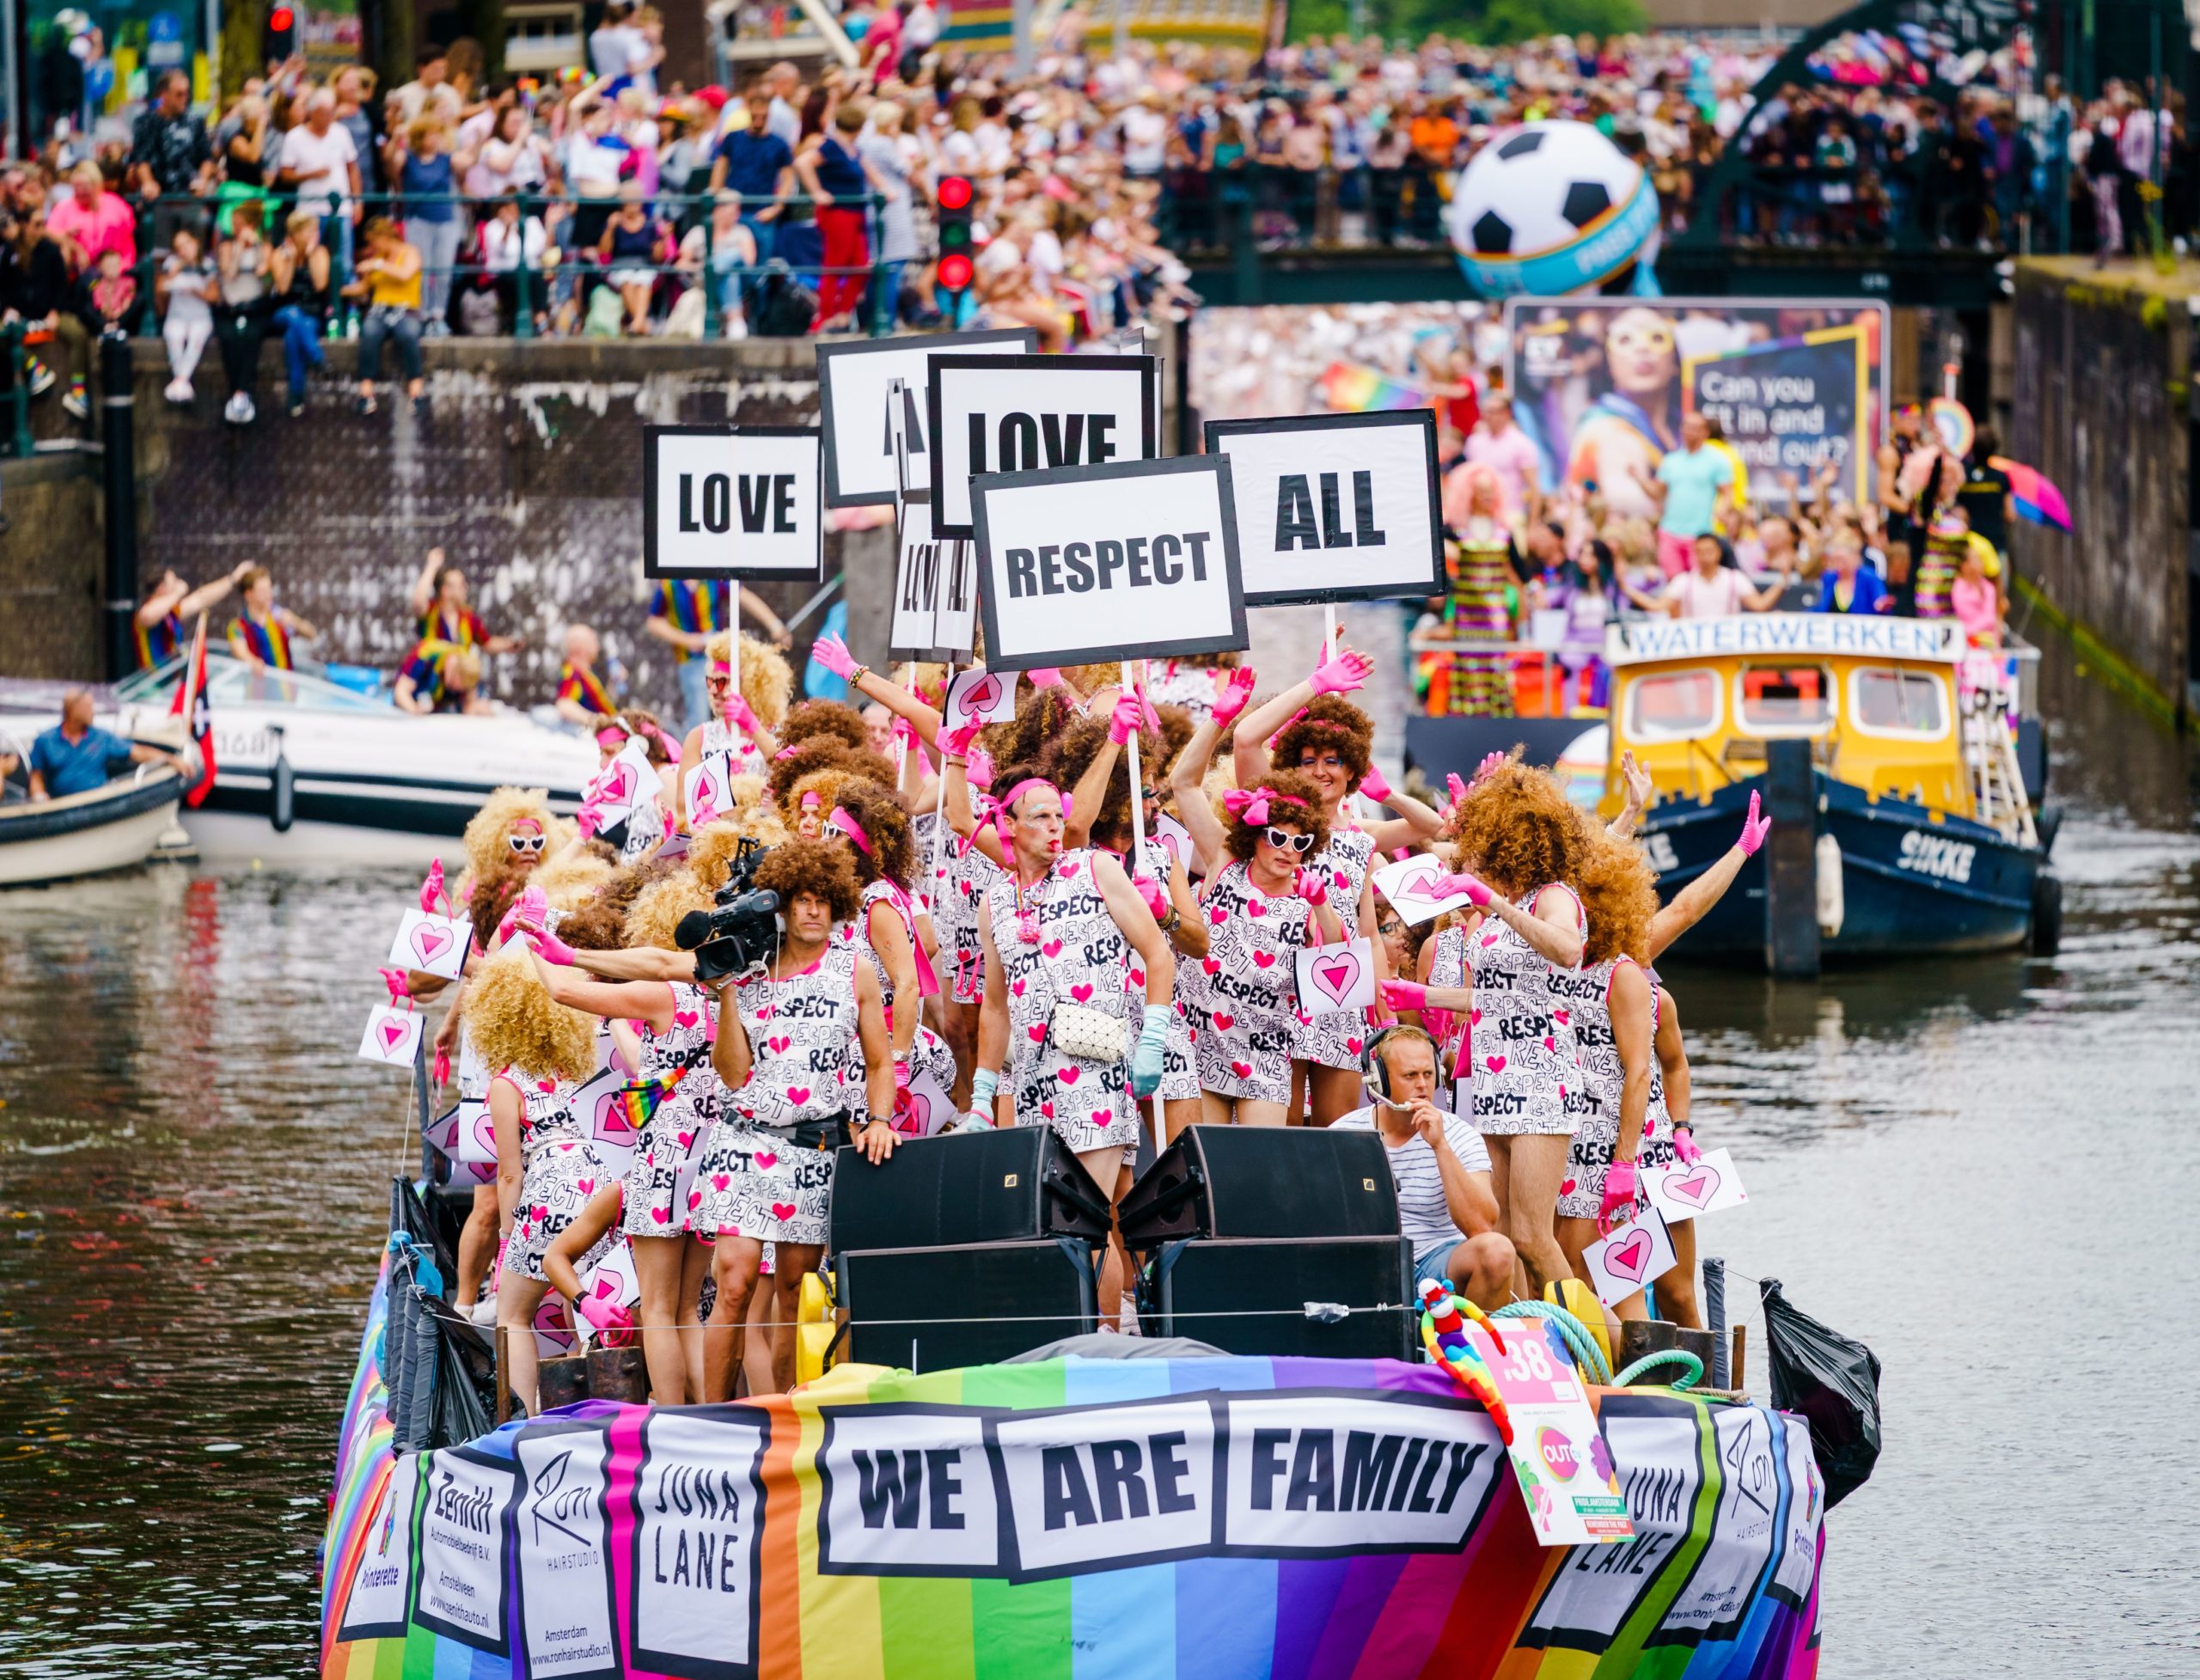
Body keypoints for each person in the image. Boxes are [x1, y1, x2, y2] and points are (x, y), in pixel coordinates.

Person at [969, 767, 1176, 1321]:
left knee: (1082, 1219)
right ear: (1006, 825)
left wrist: (1152, 1038)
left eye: (1059, 815)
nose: (1055, 827)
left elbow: (1159, 952)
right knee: (1053, 1227)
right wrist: (981, 1096)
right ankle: (1078, 1342)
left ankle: (1101, 1349)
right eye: (1039, 817)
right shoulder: (995, 904)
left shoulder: (1095, 867)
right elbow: (994, 1005)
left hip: (1097, 1072)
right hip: (1032, 1083)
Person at [701, 838, 898, 1395]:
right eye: (802, 899)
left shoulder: (855, 972)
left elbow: (880, 1061)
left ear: (837, 906)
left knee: (794, 1290)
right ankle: (713, 1417)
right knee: (734, 1283)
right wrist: (727, 997)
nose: (813, 909)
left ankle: (788, 1419)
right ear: (783, 904)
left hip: (813, 1149)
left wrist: (880, 1118)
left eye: (823, 900)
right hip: (743, 1144)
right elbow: (733, 1073)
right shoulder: (751, 971)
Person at [1328, 1026, 1514, 1310]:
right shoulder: (1342, 1133)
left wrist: (1440, 1147)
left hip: (1436, 1261)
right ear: (1379, 1082)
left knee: (1498, 1252)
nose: (1423, 1085)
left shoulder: (1460, 1135)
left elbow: (1482, 1226)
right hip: (1363, 1262)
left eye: (1428, 1074)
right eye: (1410, 1076)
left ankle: (1461, 1349)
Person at [1437, 465, 1519, 717]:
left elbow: (1518, 574)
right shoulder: (1456, 530)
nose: (1487, 497)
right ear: (1469, 493)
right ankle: (1465, 714)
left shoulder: (1504, 531)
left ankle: (1496, 715)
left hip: (1495, 615)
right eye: (1481, 491)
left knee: (1495, 665)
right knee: (1468, 664)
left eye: (1490, 491)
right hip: (1467, 613)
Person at [708, 97, 795, 319]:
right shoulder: (734, 139)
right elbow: (720, 167)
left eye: (763, 116)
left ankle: (759, 318)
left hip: (761, 214)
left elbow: (786, 178)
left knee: (758, 270)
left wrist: (777, 208)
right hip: (731, 211)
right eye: (755, 115)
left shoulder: (778, 144)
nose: (758, 120)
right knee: (727, 260)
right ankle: (731, 316)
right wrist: (715, 198)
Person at [798, 101, 872, 333]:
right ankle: (827, 316)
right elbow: (802, 163)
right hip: (838, 214)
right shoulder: (830, 146)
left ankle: (842, 312)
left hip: (854, 213)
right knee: (834, 266)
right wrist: (817, 192)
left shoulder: (852, 148)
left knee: (862, 266)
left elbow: (868, 171)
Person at [28, 688, 186, 799]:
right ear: (73, 710)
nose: (93, 712)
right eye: (88, 707)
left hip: (97, 803)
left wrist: (170, 759)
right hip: (62, 807)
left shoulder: (101, 737)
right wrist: (39, 797)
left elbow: (137, 752)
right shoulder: (46, 741)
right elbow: (36, 776)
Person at [1632, 411, 1735, 578]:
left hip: (1700, 535)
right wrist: (1639, 479)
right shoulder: (1671, 461)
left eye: (1695, 428)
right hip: (1670, 532)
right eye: (1687, 427)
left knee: (1699, 584)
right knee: (1674, 586)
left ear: (1705, 432)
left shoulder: (1717, 461)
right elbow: (1658, 492)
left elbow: (1728, 493)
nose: (1690, 432)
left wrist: (1723, 511)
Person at [343, 217, 425, 416]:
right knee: (369, 333)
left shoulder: (410, 252)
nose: (371, 247)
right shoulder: (376, 259)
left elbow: (405, 274)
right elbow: (363, 288)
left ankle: (416, 392)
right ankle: (366, 393)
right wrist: (340, 290)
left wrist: (379, 264)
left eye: (373, 241)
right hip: (379, 310)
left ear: (384, 237)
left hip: (406, 310)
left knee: (407, 335)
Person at [1624, 533, 1783, 619]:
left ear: (1719, 553)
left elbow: (1759, 605)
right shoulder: (1683, 581)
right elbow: (1657, 605)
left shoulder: (1735, 579)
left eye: (1709, 551)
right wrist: (1626, 588)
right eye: (1700, 552)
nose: (1705, 557)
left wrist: (1782, 582)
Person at [268, 211, 331, 418]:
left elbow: (320, 284)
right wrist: (293, 260)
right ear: (295, 234)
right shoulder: (279, 254)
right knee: (294, 315)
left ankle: (296, 395)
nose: (315, 234)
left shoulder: (320, 253)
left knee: (293, 336)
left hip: (310, 314)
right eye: (310, 231)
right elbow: (283, 288)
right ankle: (316, 356)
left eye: (316, 230)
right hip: (283, 312)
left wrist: (311, 254)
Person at [134, 562, 252, 668]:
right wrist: (177, 593)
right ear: (161, 588)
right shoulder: (147, 610)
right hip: (153, 686)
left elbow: (201, 598)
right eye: (174, 581)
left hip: (169, 683)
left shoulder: (171, 612)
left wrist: (234, 578)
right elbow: (147, 616)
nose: (179, 583)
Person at [1450, 389, 1540, 523]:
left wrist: (1533, 525)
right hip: (1479, 517)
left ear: (1506, 414)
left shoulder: (1522, 444)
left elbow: (1534, 489)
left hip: (1510, 516)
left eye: (1493, 411)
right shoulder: (1474, 442)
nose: (1488, 416)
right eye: (1485, 411)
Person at [412, 550, 522, 653]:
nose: (466, 587)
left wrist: (509, 644)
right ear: (445, 591)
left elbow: (486, 642)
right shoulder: (431, 612)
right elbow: (418, 602)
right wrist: (432, 566)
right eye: (461, 585)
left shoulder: (468, 618)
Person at [596, 180, 668, 336]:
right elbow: (604, 251)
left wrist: (663, 239)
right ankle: (644, 325)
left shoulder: (649, 224)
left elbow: (658, 257)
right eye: (630, 201)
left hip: (644, 266)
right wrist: (610, 228)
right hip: (620, 266)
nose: (634, 205)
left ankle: (637, 324)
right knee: (627, 281)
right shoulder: (615, 222)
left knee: (643, 282)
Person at [156, 225, 217, 404]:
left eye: (186, 244)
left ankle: (180, 381)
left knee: (196, 338)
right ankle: (182, 382)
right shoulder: (170, 263)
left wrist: (195, 291)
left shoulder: (206, 265)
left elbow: (214, 296)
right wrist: (171, 276)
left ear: (195, 243)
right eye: (179, 247)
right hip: (177, 316)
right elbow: (160, 290)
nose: (183, 250)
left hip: (200, 317)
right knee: (174, 336)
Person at [226, 565, 319, 670]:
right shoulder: (237, 626)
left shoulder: (279, 616)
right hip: (256, 685)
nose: (268, 594)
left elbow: (312, 634)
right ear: (248, 594)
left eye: (269, 588)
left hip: (286, 685)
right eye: (262, 590)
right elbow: (239, 650)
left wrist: (296, 624)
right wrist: (251, 661)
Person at [394, 642, 487, 713]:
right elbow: (400, 691)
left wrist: (475, 708)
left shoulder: (468, 666)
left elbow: (469, 705)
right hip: (409, 709)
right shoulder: (426, 656)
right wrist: (415, 710)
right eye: (454, 683)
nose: (454, 688)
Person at [554, 623, 618, 724]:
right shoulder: (573, 674)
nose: (597, 645)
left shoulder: (585, 674)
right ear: (581, 646)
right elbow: (564, 704)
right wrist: (598, 722)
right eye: (593, 640)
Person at [1811, 535, 1891, 614]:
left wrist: (1881, 606)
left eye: (1842, 559)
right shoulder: (1828, 577)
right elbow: (1817, 607)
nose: (1838, 563)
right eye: (1835, 559)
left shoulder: (1869, 577)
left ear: (1855, 556)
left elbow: (1881, 603)